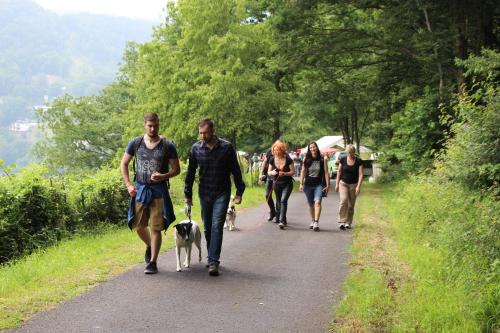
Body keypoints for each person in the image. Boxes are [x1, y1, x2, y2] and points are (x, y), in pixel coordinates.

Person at [120, 112, 180, 274]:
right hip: (140, 189)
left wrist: (164, 176)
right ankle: (149, 245)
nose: (152, 128)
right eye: (149, 126)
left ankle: (153, 262)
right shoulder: (136, 143)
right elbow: (123, 164)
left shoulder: (168, 145)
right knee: (138, 225)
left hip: (159, 191)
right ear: (145, 125)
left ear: (159, 125)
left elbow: (176, 169)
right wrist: (128, 185)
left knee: (156, 227)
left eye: (155, 126)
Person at [184, 119, 245, 276]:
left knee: (217, 225)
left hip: (222, 192)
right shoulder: (196, 149)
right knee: (208, 227)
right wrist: (187, 194)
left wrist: (239, 191)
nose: (203, 136)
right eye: (200, 133)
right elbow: (190, 173)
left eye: (205, 133)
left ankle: (213, 261)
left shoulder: (226, 147)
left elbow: (235, 170)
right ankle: (212, 255)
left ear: (213, 131)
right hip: (204, 192)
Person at [299, 141, 330, 231]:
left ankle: (316, 222)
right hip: (308, 185)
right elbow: (303, 171)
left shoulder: (322, 159)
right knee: (310, 204)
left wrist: (327, 185)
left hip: (318, 184)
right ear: (309, 149)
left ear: (317, 147)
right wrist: (301, 183)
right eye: (311, 147)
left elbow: (326, 172)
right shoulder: (307, 159)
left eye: (314, 147)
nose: (313, 149)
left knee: (317, 202)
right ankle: (312, 220)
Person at [334, 144, 364, 230]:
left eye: (351, 153)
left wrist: (358, 186)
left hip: (354, 185)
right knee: (343, 200)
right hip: (343, 183)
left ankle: (348, 222)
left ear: (354, 152)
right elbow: (339, 172)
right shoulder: (343, 159)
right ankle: (342, 221)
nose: (349, 155)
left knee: (351, 205)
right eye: (348, 153)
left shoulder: (359, 161)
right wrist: (336, 184)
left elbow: (361, 174)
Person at [267, 140, 295, 230]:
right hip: (276, 184)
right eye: (275, 150)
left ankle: (282, 221)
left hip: (287, 184)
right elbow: (268, 172)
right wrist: (272, 172)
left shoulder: (288, 159)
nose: (276, 152)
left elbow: (292, 172)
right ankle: (282, 218)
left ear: (282, 150)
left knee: (283, 201)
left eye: (278, 150)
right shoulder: (272, 159)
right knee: (278, 201)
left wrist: (284, 173)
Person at [258, 148, 276, 222]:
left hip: (278, 176)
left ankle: (280, 215)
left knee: (279, 197)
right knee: (267, 195)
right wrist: (260, 174)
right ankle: (273, 211)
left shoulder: (282, 152)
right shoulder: (269, 151)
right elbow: (264, 162)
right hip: (269, 175)